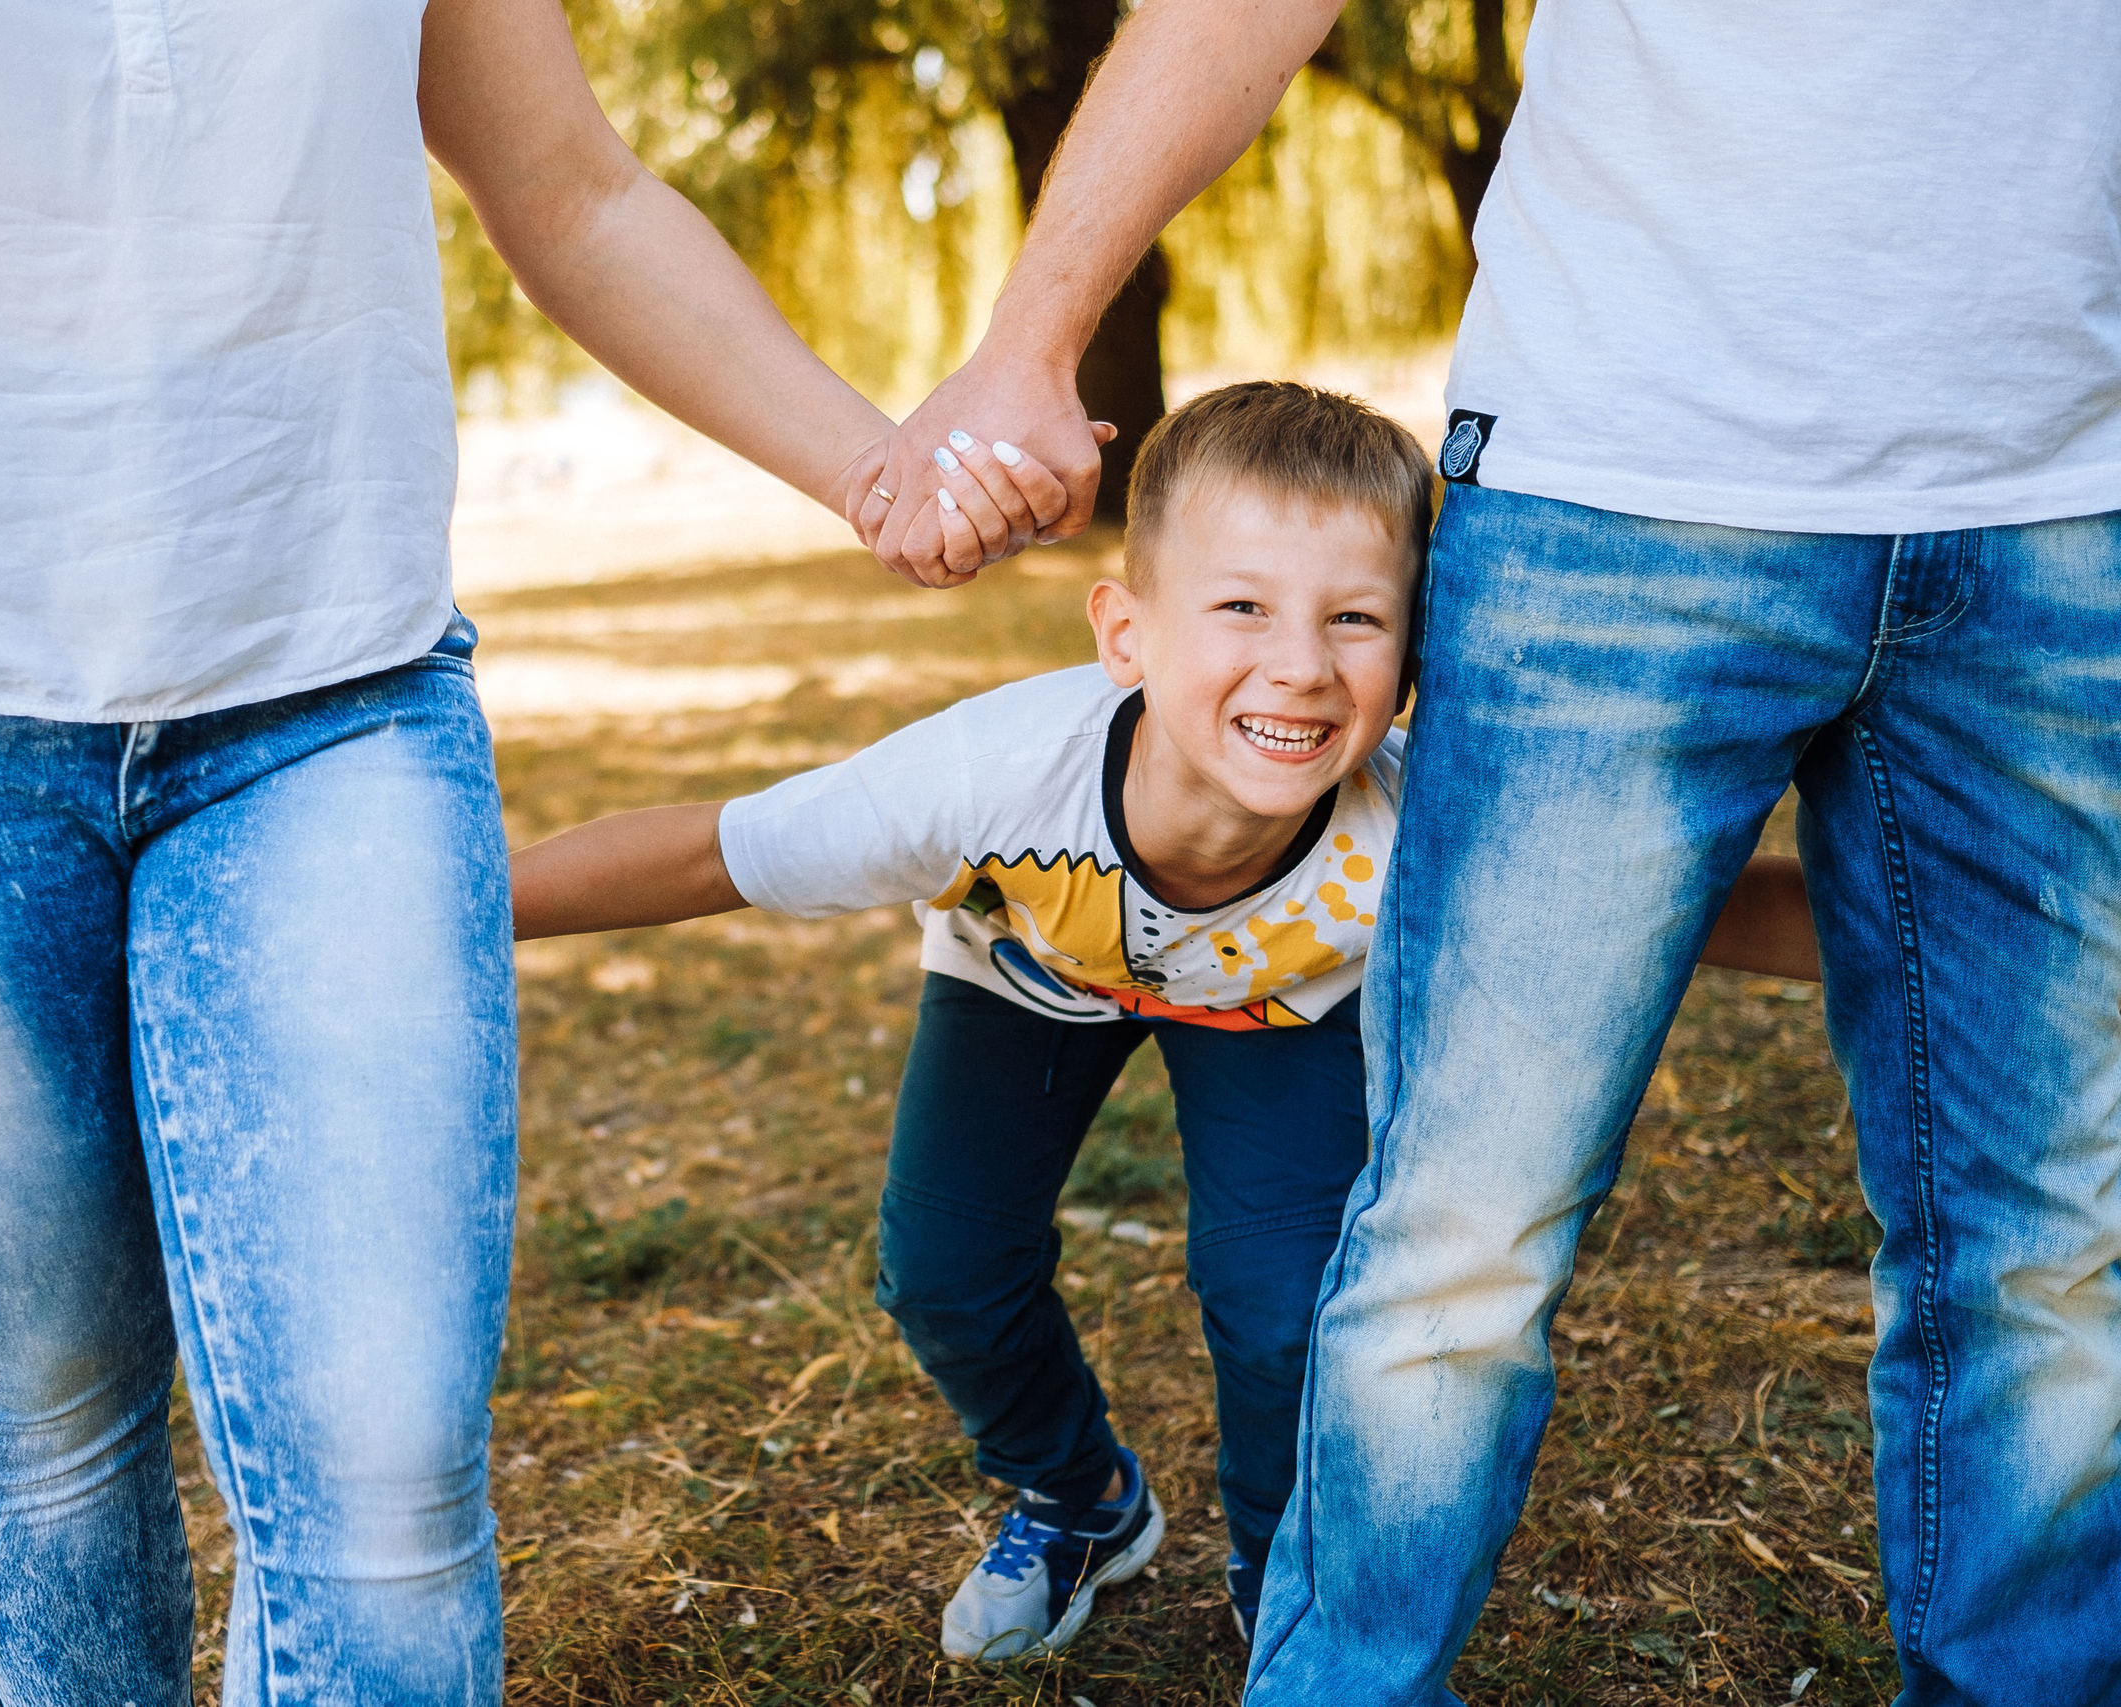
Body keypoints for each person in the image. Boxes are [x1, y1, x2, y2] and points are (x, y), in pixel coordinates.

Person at [0, 5, 1057, 1701]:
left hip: (327, 691)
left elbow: (574, 192)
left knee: (387, 1476)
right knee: (50, 1409)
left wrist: (872, 470)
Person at [861, 4, 2121, 1702]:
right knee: (1461, 1222)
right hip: (1619, 478)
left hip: (2067, 506)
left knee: (2050, 1240)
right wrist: (1036, 332)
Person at [510, 381, 1819, 1661]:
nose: (1300, 666)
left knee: (1282, 1304)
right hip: (1030, 973)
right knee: (943, 1271)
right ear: (1125, 634)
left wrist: (1963, 944)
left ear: (1414, 657)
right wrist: (464, 909)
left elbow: (1675, 909)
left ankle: (1274, 1565)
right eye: (1241, 606)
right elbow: (709, 855)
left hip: (1273, 1008)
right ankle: (1080, 1502)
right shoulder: (986, 777)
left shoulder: (1420, 819)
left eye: (1357, 619)